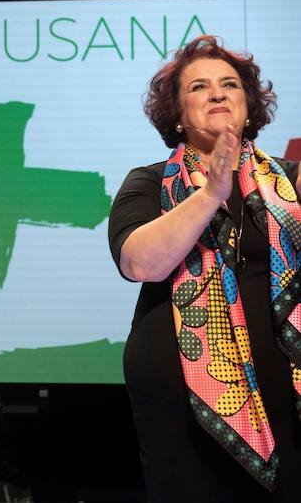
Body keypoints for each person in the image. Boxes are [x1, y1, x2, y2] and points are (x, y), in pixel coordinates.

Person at [109, 35, 301, 502]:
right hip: (181, 398)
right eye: (198, 87)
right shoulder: (149, 181)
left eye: (229, 84)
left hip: (285, 386)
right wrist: (211, 193)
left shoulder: (292, 179)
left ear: (249, 108)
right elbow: (140, 262)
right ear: (176, 115)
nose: (217, 93)